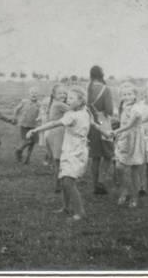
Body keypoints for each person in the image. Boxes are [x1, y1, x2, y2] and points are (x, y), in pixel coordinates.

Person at [27, 86, 91, 221]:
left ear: (80, 101)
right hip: (72, 150)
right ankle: (66, 208)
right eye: (67, 98)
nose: (67, 100)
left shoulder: (72, 115)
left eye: (71, 98)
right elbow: (94, 124)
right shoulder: (84, 113)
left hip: (75, 152)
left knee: (68, 183)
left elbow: (55, 123)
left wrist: (36, 129)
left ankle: (80, 213)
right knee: (64, 180)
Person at [93, 82, 145, 208]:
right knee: (119, 167)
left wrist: (116, 131)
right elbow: (123, 122)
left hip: (134, 140)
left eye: (129, 94)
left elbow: (130, 124)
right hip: (123, 139)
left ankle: (134, 197)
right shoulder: (124, 106)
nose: (127, 97)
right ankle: (124, 192)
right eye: (124, 94)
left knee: (134, 170)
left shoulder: (137, 108)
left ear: (135, 95)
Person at [86, 65, 114, 195]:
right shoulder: (105, 89)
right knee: (108, 154)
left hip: (91, 124)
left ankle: (95, 186)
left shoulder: (88, 89)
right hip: (103, 123)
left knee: (95, 157)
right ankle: (101, 180)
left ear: (91, 75)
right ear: (102, 75)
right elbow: (109, 110)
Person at [45, 84, 69, 194]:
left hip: (53, 132)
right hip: (58, 133)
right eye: (60, 93)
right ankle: (58, 186)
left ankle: (58, 184)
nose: (63, 95)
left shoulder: (54, 104)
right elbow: (75, 112)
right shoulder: (59, 104)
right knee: (59, 161)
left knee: (57, 161)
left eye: (64, 93)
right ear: (54, 95)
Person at [13, 86, 40, 164]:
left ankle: (27, 159)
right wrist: (14, 117)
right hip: (24, 124)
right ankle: (18, 151)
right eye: (32, 93)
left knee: (33, 142)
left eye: (36, 93)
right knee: (26, 140)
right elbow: (17, 109)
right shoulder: (24, 102)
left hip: (34, 125)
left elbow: (42, 112)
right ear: (29, 94)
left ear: (38, 94)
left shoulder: (39, 104)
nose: (34, 94)